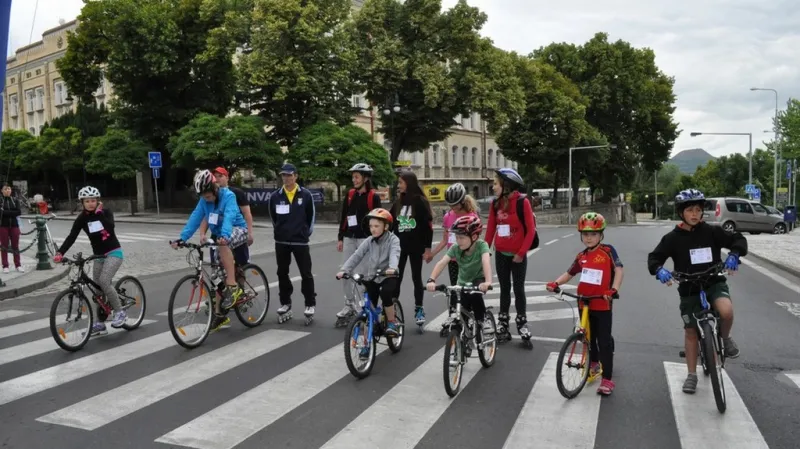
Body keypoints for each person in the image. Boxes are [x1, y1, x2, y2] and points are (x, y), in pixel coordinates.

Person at [647, 188, 746, 395]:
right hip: (689, 286)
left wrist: (734, 254)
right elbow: (654, 258)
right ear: (681, 212)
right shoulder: (672, 238)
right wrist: (659, 270)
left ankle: (725, 339)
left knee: (726, 311)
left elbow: (737, 239)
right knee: (691, 331)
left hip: (713, 280)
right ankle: (691, 375)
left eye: (698, 210)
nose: (695, 214)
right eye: (690, 210)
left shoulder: (712, 231)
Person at [546, 212, 623, 396]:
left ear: (601, 235)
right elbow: (570, 273)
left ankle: (607, 379)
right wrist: (556, 283)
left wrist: (613, 289)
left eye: (593, 234)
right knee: (588, 338)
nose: (589, 238)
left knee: (603, 341)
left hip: (602, 303)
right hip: (584, 303)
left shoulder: (608, 251)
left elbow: (619, 270)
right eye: (585, 234)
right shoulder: (581, 256)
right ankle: (594, 364)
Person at [171, 170, 249, 332]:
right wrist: (182, 238)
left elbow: (229, 216)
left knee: (222, 245)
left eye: (208, 195)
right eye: (203, 196)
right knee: (216, 278)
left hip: (236, 229)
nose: (206, 199)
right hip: (219, 235)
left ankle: (233, 287)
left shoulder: (228, 196)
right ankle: (220, 315)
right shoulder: (204, 202)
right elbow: (195, 217)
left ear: (215, 188)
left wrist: (225, 235)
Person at [54, 186, 127, 335]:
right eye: (87, 201)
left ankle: (120, 313)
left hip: (114, 252)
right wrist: (60, 252)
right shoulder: (82, 218)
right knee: (97, 289)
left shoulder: (106, 213)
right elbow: (72, 236)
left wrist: (100, 214)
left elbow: (111, 228)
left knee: (105, 280)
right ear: (82, 202)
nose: (91, 203)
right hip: (98, 256)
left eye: (93, 200)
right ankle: (100, 323)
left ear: (97, 201)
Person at [426, 215, 493, 356]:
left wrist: (487, 282)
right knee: (455, 303)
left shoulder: (482, 246)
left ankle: (483, 321)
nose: (458, 241)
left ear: (474, 236)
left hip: (478, 281)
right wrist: (431, 279)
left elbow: (486, 262)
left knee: (474, 296)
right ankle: (462, 337)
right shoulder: (456, 248)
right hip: (462, 282)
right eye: (456, 237)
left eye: (462, 237)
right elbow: (442, 262)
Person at [484, 168, 535, 344]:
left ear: (506, 185)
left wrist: (521, 253)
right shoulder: (495, 204)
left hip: (518, 255)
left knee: (519, 289)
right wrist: (485, 250)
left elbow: (531, 230)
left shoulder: (522, 202)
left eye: (496, 184)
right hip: (501, 253)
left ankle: (522, 323)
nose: (493, 187)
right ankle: (503, 324)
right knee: (504, 289)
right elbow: (491, 228)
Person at [336, 208, 401, 342]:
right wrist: (344, 270)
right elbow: (357, 255)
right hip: (372, 276)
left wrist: (392, 268)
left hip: (388, 275)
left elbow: (395, 254)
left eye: (377, 226)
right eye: (371, 226)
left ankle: (391, 322)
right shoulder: (369, 240)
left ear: (386, 226)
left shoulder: (393, 240)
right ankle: (366, 342)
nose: (373, 229)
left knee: (386, 293)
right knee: (368, 308)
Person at [268, 163, 317, 324]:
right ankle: (285, 302)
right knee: (282, 272)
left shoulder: (306, 195)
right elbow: (273, 217)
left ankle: (310, 303)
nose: (286, 178)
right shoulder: (276, 196)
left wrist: (304, 233)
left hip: (300, 241)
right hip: (281, 241)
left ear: (296, 176)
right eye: (284, 175)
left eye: (289, 175)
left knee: (306, 273)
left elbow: (311, 217)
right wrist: (280, 231)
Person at [335, 163, 383, 326]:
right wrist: (341, 237)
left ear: (365, 178)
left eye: (356, 176)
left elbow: (379, 220)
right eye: (353, 176)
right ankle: (349, 304)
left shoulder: (373, 197)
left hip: (365, 240)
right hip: (349, 237)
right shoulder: (350, 195)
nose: (353, 180)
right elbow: (344, 217)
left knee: (363, 274)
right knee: (345, 271)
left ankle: (364, 305)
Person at [429, 182, 479, 335]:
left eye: (455, 205)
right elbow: (445, 240)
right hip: (452, 259)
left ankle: (469, 316)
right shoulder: (448, 216)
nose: (453, 208)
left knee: (468, 290)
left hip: (468, 260)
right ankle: (453, 317)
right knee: (454, 289)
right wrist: (432, 253)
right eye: (450, 205)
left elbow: (476, 240)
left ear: (463, 201)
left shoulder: (471, 216)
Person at [392, 171, 433, 325]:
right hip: (399, 247)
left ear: (408, 183)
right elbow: (391, 223)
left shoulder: (420, 202)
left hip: (416, 246)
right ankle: (393, 309)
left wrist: (427, 249)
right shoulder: (398, 203)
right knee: (396, 278)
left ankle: (419, 308)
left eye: (401, 182)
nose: (398, 185)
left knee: (416, 278)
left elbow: (427, 227)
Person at [212, 167, 255, 248]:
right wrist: (202, 234)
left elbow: (247, 213)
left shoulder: (236, 193)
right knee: (217, 259)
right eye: (215, 176)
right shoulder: (212, 194)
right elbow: (207, 214)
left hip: (236, 233)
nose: (217, 179)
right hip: (217, 233)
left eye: (220, 176)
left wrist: (250, 233)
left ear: (227, 178)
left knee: (240, 259)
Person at [0, 183, 23, 273]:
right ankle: (5, 265)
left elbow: (18, 212)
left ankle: (18, 265)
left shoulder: (15, 200)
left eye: (9, 189)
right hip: (3, 226)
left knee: (15, 246)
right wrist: (11, 212)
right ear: (1, 191)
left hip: (14, 225)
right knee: (4, 245)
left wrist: (5, 212)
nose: (7, 190)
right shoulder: (1, 200)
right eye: (5, 189)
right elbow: (1, 213)